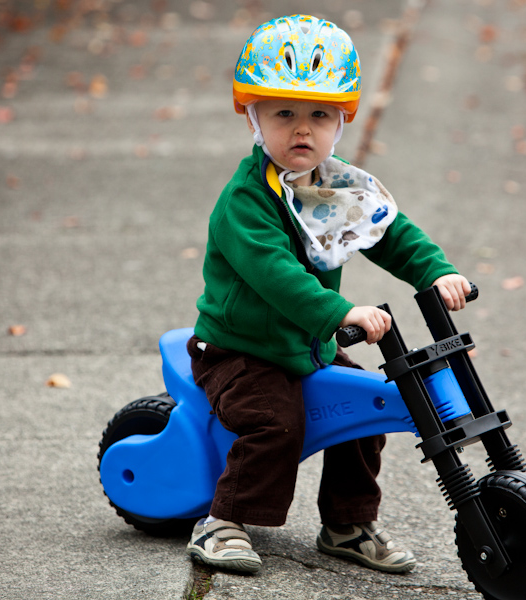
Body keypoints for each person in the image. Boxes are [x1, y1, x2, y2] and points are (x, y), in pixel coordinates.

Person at [185, 14, 470, 575]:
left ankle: (347, 524)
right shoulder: (245, 202)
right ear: (253, 117)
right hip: (240, 352)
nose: (302, 130)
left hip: (304, 346)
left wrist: (434, 273)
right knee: (277, 423)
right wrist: (340, 311)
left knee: (367, 407)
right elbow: (276, 276)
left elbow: (388, 232)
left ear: (341, 123)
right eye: (283, 113)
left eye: (320, 115)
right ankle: (222, 523)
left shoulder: (332, 186)